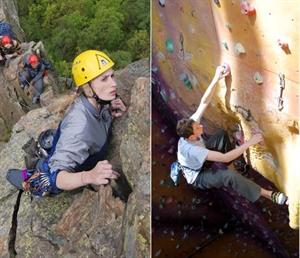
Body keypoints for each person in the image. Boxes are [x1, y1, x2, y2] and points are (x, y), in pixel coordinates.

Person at [7, 50, 126, 196]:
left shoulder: (99, 103)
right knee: (43, 182)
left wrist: (109, 112)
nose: (113, 83)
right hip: (53, 173)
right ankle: (30, 173)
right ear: (87, 87)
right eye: (104, 79)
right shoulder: (79, 128)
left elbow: (96, 122)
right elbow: (57, 177)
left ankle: (42, 155)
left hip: (68, 143)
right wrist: (88, 176)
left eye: (112, 76)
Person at [175, 65, 288, 205]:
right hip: (198, 176)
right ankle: (270, 195)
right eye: (198, 128)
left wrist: (217, 77)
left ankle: (236, 171)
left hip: (200, 160)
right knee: (228, 177)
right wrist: (250, 142)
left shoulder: (191, 126)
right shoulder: (193, 150)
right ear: (191, 137)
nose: (201, 125)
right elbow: (224, 157)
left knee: (222, 135)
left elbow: (204, 102)